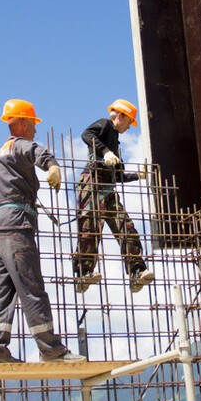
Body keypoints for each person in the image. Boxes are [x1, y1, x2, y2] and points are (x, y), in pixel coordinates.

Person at [0, 99, 85, 364]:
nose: (36, 130)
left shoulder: (1, 152)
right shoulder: (19, 144)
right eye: (34, 125)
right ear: (24, 122)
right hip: (16, 225)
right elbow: (37, 151)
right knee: (31, 288)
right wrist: (52, 166)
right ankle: (52, 350)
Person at [71, 99, 154, 294]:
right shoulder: (105, 125)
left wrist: (138, 176)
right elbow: (86, 134)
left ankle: (136, 273)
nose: (129, 127)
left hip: (108, 189)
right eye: (129, 122)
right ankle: (83, 274)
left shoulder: (115, 144)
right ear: (121, 116)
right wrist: (106, 152)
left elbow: (119, 176)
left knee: (127, 228)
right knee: (89, 229)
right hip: (92, 183)